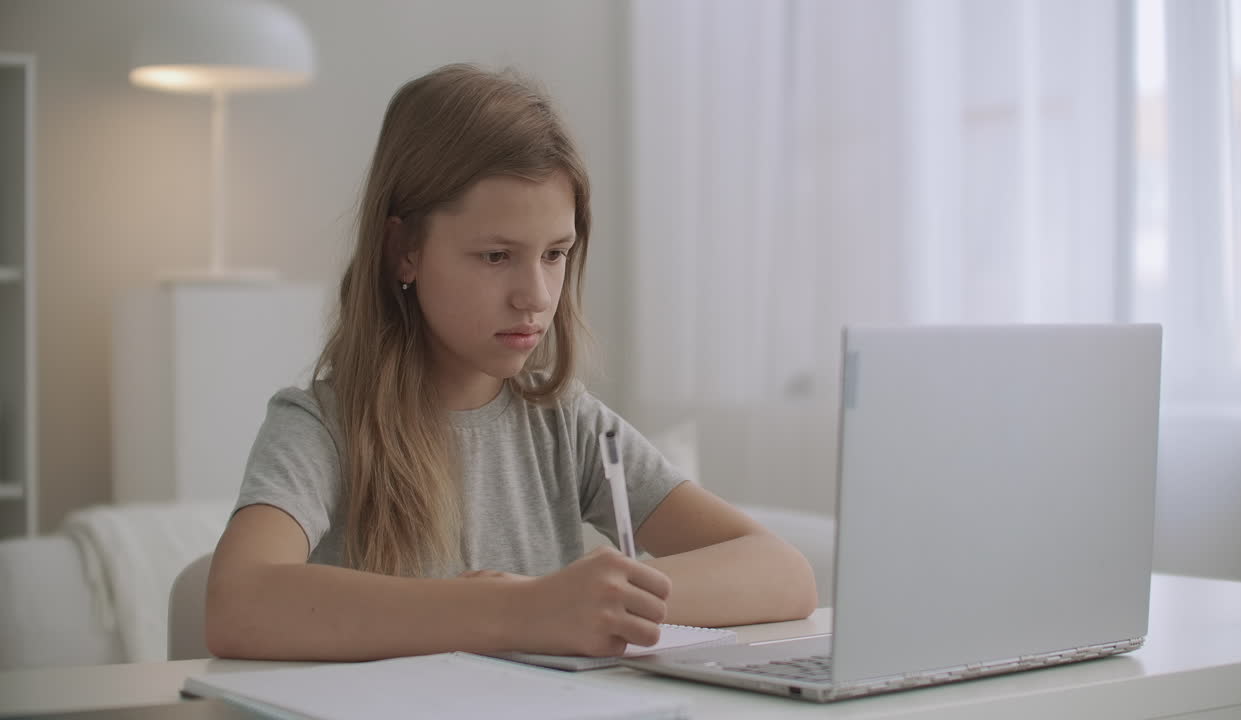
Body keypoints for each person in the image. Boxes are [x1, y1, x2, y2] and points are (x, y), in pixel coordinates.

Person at [205, 64, 817, 661]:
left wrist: (591, 603)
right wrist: (521, 612)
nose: (537, 295)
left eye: (555, 254)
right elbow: (238, 603)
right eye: (497, 256)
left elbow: (783, 573)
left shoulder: (564, 422)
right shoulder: (322, 426)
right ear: (404, 251)